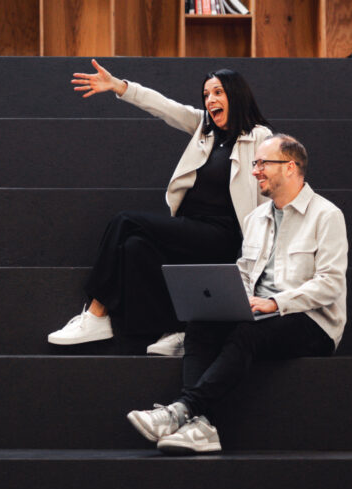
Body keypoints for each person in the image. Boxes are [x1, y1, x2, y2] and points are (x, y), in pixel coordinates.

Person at [126, 134, 348, 453]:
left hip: (312, 323)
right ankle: (202, 428)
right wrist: (231, 302)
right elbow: (245, 271)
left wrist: (274, 302)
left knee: (248, 332)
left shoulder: (326, 215)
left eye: (262, 163)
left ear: (290, 167)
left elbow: (330, 284)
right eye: (254, 163)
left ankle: (182, 411)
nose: (255, 170)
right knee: (201, 325)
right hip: (259, 314)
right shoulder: (255, 218)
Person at [48, 59, 273, 356]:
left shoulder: (259, 137)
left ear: (237, 95)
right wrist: (119, 86)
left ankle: (96, 312)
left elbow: (270, 193)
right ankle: (176, 329)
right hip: (190, 228)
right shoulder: (203, 128)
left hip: (223, 234)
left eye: (218, 92)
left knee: (125, 221)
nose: (211, 100)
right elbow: (165, 107)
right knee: (134, 246)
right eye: (206, 95)